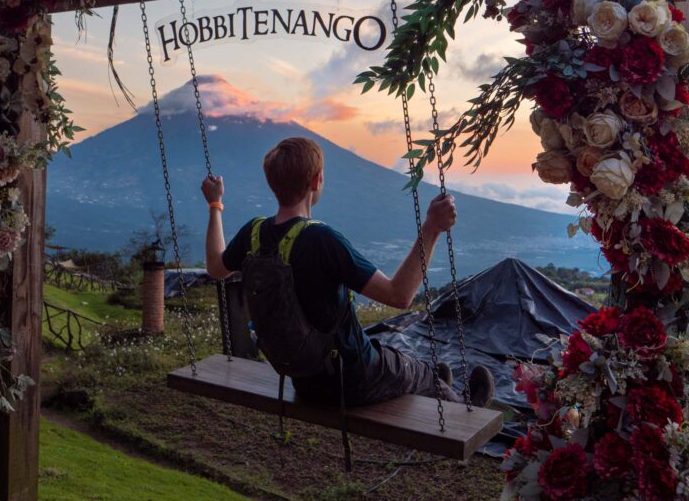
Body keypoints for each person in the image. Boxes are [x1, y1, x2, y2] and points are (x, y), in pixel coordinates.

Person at [201, 136, 494, 409]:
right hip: (350, 378)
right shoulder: (322, 239)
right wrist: (432, 227)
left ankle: (438, 382)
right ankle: (462, 405)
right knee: (415, 371)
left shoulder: (253, 233)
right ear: (317, 181)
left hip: (304, 378)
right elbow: (400, 295)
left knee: (401, 362)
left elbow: (216, 268)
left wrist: (215, 204)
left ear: (272, 183)